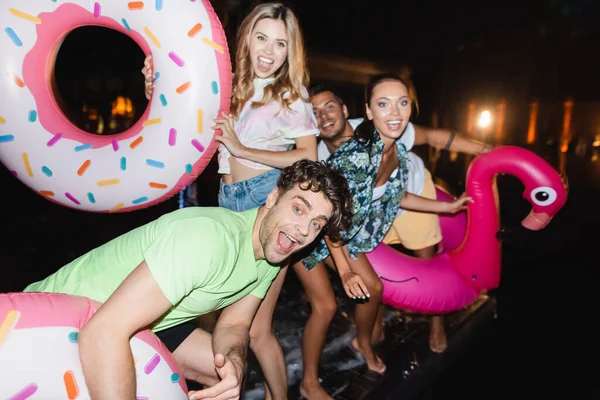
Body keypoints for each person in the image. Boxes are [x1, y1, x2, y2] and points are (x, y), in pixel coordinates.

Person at [23, 159, 353, 400]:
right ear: (272, 197)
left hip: (148, 320)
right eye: (298, 209)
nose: (302, 230)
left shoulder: (271, 255)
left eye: (316, 224)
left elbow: (236, 325)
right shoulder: (207, 239)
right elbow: (103, 332)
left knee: (222, 378)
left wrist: (234, 364)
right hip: (58, 318)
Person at [143, 4, 319, 398]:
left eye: (280, 43)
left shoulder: (292, 95)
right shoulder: (229, 85)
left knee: (255, 329)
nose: (269, 51)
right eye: (261, 38)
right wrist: (155, 90)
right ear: (246, 39)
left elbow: (309, 155)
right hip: (226, 200)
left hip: (266, 202)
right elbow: (183, 117)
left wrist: (243, 149)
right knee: (205, 314)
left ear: (291, 50)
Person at [291, 73, 473, 399]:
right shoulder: (354, 160)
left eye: (402, 103)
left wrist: (446, 208)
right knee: (327, 306)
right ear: (369, 111)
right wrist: (345, 269)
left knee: (371, 288)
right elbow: (331, 218)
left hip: (344, 231)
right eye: (384, 104)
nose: (395, 112)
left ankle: (365, 338)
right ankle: (312, 380)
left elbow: (397, 194)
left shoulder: (394, 143)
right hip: (316, 235)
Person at [310, 84, 492, 354]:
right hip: (368, 215)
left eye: (330, 107)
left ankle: (436, 322)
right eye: (314, 112)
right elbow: (331, 214)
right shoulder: (323, 159)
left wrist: (485, 149)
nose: (324, 116)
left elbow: (434, 137)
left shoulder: (386, 128)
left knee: (426, 260)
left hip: (411, 196)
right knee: (378, 268)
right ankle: (375, 322)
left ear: (346, 110)